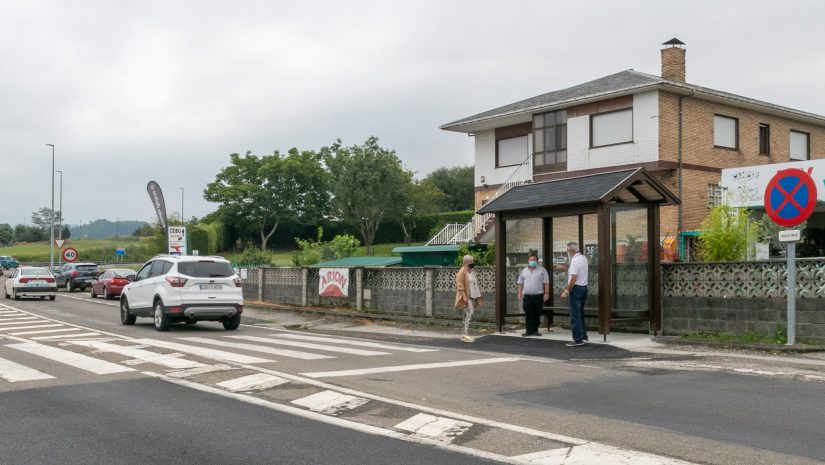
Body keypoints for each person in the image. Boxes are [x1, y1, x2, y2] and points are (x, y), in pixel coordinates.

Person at [557, 241, 589, 347]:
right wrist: (565, 269)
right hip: (584, 288)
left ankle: (578, 339)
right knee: (580, 313)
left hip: (575, 289)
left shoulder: (575, 261)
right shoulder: (583, 258)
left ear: (571, 250)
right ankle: (583, 335)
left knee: (575, 315)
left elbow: (574, 278)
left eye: (567, 250)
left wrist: (566, 291)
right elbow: (575, 272)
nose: (567, 252)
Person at [516, 254, 549, 337]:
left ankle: (535, 330)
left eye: (534, 260)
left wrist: (547, 293)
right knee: (528, 313)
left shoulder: (542, 270)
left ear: (537, 261)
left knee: (537, 313)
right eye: (530, 260)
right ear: (528, 261)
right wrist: (519, 292)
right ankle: (528, 331)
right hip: (527, 296)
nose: (532, 262)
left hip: (538, 296)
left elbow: (546, 282)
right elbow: (520, 283)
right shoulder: (524, 271)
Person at [454, 255, 483, 343]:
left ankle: (464, 334)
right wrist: (464, 297)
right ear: (466, 262)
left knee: (466, 314)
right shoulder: (461, 273)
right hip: (466, 297)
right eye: (471, 262)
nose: (472, 263)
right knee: (470, 312)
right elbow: (460, 286)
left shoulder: (472, 272)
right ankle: (465, 333)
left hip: (472, 296)